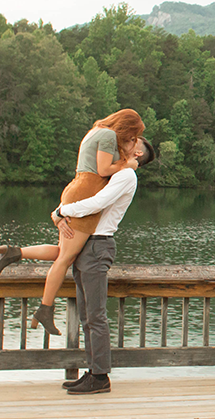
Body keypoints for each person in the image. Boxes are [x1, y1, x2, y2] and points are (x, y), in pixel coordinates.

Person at [0, 109, 145, 335]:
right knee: (65, 258)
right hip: (85, 193)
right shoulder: (109, 136)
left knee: (64, 251)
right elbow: (103, 170)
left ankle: (14, 253)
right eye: (132, 136)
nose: (132, 142)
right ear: (125, 127)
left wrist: (61, 211)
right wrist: (128, 165)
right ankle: (45, 309)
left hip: (76, 188)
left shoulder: (95, 131)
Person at [56, 137, 155, 394]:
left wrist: (63, 210)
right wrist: (62, 213)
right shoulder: (114, 172)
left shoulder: (126, 177)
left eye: (135, 143)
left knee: (96, 316)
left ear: (138, 154)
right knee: (87, 316)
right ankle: (92, 372)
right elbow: (88, 194)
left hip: (98, 246)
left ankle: (100, 377)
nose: (128, 142)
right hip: (87, 244)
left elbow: (97, 204)